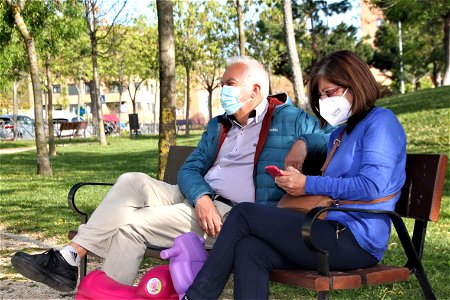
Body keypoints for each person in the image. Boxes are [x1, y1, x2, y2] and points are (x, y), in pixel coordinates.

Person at [11, 56, 332, 292]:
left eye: (229, 85)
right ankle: (69, 258)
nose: (223, 91)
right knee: (131, 180)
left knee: (131, 226)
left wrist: (304, 143)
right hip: (197, 198)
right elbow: (192, 168)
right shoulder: (220, 125)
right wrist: (201, 197)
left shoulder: (291, 119)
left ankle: (94, 290)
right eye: (221, 85)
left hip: (232, 214)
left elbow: (327, 138)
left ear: (256, 89)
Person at [184, 50, 407, 300]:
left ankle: (197, 297)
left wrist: (307, 184)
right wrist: (295, 176)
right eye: (320, 95)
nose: (324, 101)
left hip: (356, 239)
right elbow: (326, 167)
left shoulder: (381, 122)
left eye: (329, 92)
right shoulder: (339, 135)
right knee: (250, 249)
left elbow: (372, 186)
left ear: (353, 83)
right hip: (326, 226)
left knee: (244, 213)